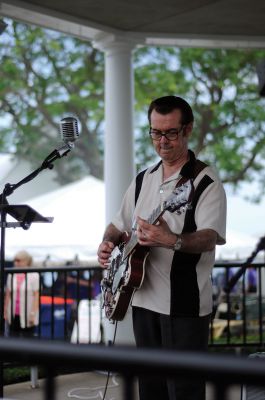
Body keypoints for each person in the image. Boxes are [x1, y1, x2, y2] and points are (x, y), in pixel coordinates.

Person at [97, 95, 227, 400]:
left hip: (185, 305)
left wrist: (172, 239)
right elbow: (118, 224)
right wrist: (107, 242)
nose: (162, 141)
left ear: (188, 130)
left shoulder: (205, 182)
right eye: (156, 132)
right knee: (151, 388)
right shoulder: (144, 179)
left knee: (184, 390)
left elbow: (210, 237)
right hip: (142, 300)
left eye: (171, 132)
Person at [4, 250, 39, 338]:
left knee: (28, 336)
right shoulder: (11, 275)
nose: (16, 263)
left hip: (28, 312)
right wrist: (5, 311)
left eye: (18, 260)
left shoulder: (34, 275)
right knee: (12, 335)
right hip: (13, 312)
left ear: (26, 261)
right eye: (15, 260)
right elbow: (8, 294)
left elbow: (36, 296)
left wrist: (33, 314)